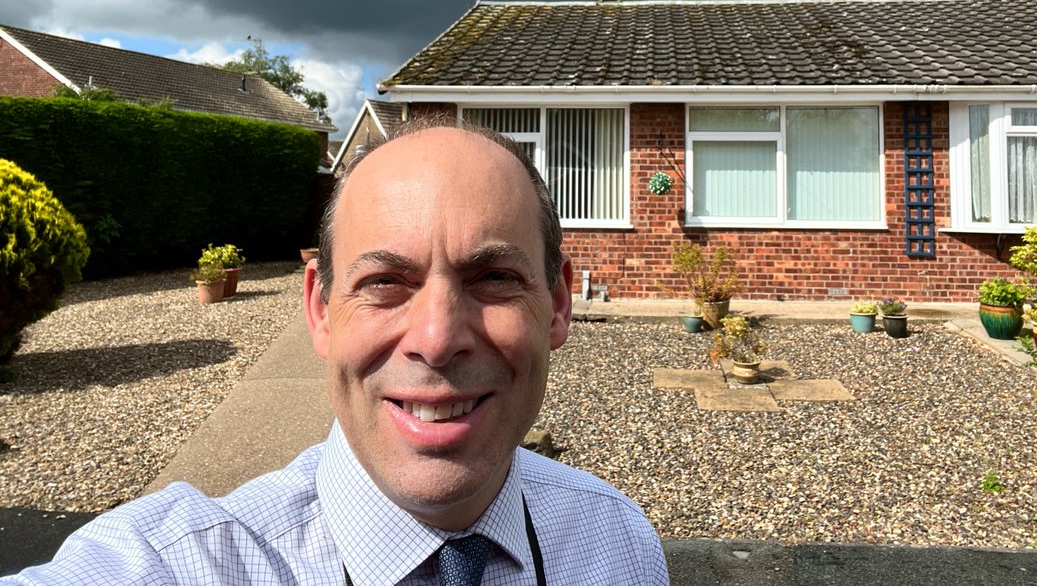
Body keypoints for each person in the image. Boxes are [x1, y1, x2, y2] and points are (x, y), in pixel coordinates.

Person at [3, 118, 670, 584]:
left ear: (557, 304)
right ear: (320, 310)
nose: (437, 339)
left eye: (493, 277)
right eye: (384, 283)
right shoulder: (175, 564)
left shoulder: (616, 543)